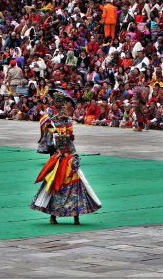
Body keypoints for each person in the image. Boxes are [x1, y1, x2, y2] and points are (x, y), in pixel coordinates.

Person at [30, 93, 101, 225]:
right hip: (57, 153)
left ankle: (76, 216)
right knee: (52, 180)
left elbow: (70, 136)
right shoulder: (51, 117)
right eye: (58, 102)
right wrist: (53, 123)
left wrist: (71, 152)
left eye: (61, 102)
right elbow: (47, 125)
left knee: (76, 182)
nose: (60, 105)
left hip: (68, 153)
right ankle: (53, 215)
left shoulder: (67, 120)